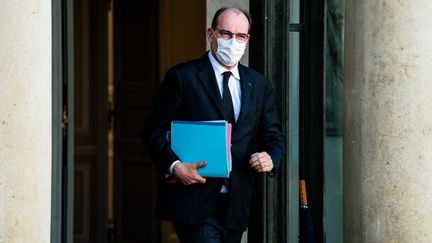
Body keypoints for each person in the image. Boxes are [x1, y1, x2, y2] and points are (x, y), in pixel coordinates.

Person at [141, 7, 285, 243]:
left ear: (248, 39)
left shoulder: (258, 84)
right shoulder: (182, 77)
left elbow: (274, 137)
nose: (233, 42)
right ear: (211, 35)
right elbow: (152, 131)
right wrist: (175, 166)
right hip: (194, 200)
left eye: (241, 36)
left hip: (237, 203)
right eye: (226, 34)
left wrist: (271, 158)